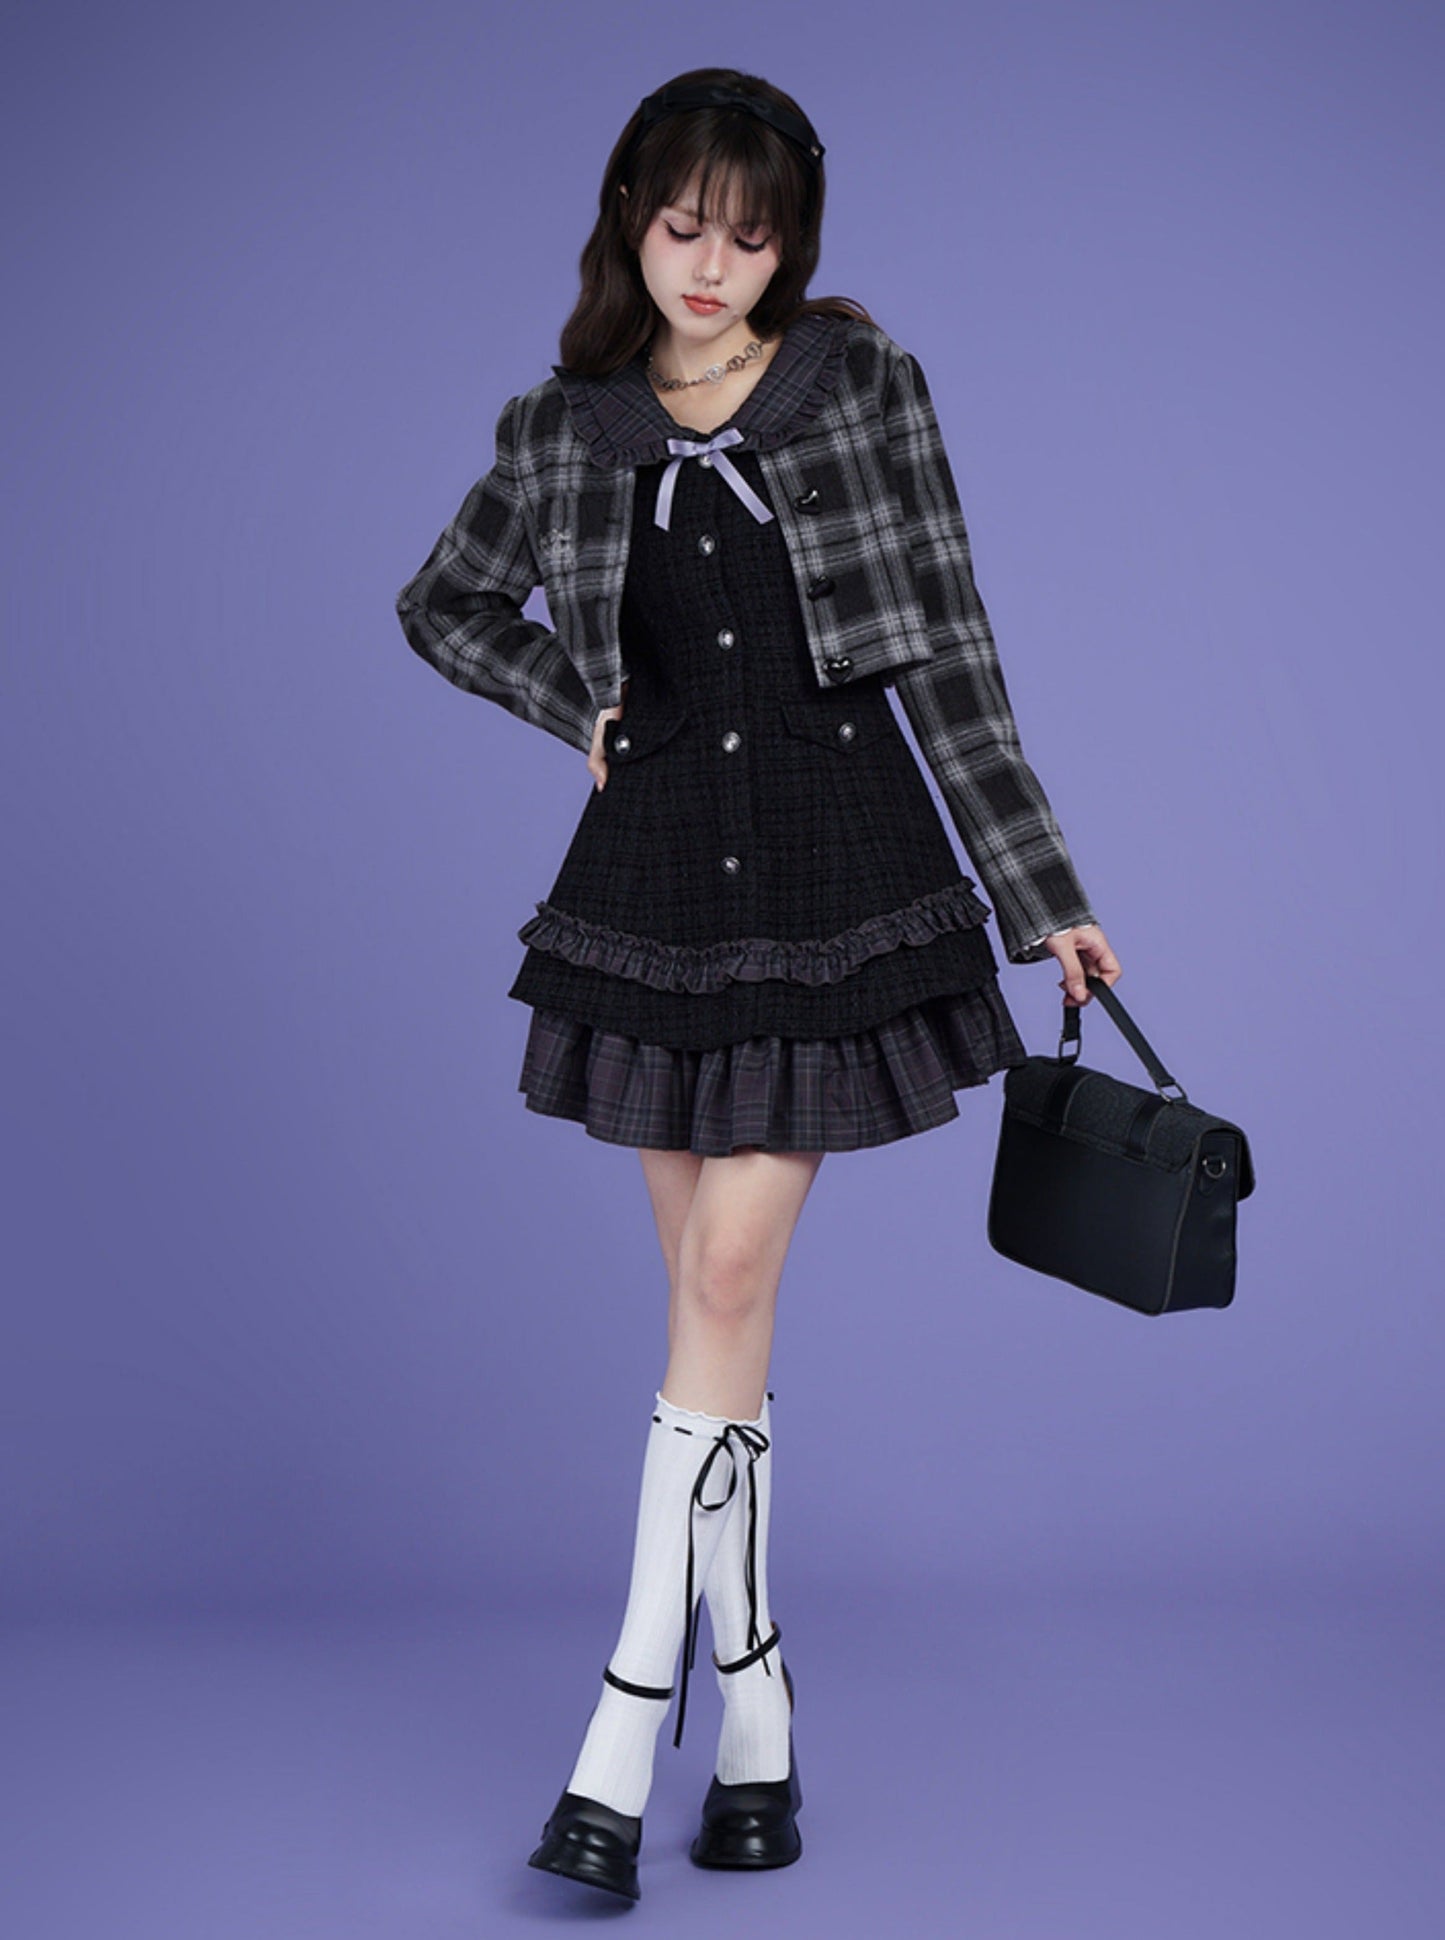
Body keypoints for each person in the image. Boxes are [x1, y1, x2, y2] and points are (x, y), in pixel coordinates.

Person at [395, 67, 1122, 1905]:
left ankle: (620, 1723)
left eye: (748, 234)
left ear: (790, 244)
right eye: (681, 226)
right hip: (651, 884)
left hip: (833, 865)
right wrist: (576, 706)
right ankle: (762, 1716)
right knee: (709, 1324)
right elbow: (444, 604)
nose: (710, 265)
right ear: (629, 220)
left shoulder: (857, 386)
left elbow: (949, 648)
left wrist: (1042, 896)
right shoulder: (562, 428)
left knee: (721, 1284)